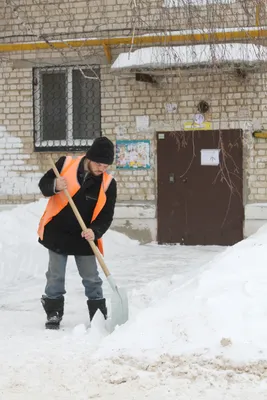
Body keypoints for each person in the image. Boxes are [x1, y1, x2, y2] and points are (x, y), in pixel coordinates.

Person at [37, 136, 117, 329]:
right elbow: (43, 185)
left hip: (84, 236)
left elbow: (106, 215)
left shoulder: (107, 184)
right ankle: (53, 311)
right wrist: (55, 185)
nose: (101, 169)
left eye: (106, 166)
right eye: (99, 164)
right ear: (89, 158)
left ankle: (98, 313)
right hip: (58, 231)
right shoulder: (65, 164)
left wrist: (95, 231)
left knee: (91, 278)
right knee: (55, 275)